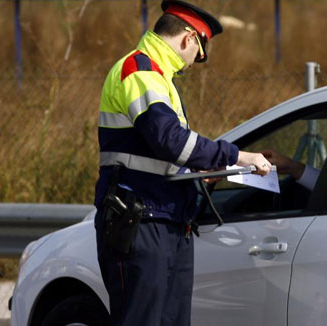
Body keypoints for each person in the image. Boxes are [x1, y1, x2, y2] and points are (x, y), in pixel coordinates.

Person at [93, 1, 271, 325]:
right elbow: (169, 139)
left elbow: (166, 153)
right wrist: (236, 155)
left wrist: (196, 173)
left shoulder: (160, 78)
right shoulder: (139, 71)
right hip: (139, 221)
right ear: (189, 38)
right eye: (198, 54)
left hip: (167, 219)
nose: (194, 64)